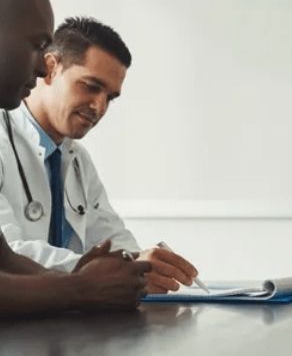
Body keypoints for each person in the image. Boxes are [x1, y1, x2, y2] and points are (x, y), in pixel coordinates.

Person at [0, 16, 198, 294]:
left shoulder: (78, 161)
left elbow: (111, 237)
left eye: (110, 97)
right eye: (91, 86)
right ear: (50, 68)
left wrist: (142, 265)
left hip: (68, 321)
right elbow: (7, 255)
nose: (99, 106)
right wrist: (113, 272)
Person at [0, 0, 151, 315]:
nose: (39, 69)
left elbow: (3, 256)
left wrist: (134, 268)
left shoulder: (78, 161)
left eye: (110, 97)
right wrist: (80, 287)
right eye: (37, 45)